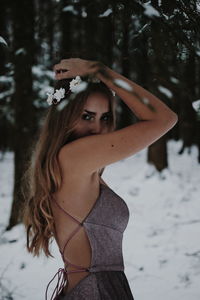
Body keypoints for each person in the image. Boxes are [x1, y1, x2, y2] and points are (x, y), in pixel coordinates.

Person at [22, 58, 178, 300]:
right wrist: (99, 70)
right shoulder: (72, 158)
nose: (97, 127)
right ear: (65, 116)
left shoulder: (72, 165)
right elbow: (164, 119)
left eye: (105, 118)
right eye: (86, 116)